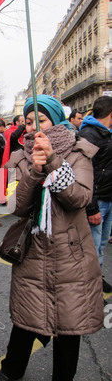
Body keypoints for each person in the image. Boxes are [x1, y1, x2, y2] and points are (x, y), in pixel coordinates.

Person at [0, 94, 103, 381]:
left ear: (55, 120)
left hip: (72, 254)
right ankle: (11, 369)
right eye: (28, 121)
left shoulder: (79, 153)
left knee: (69, 327)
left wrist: (54, 162)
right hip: (33, 252)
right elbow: (15, 205)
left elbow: (80, 198)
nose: (32, 126)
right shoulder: (20, 157)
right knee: (26, 321)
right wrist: (34, 171)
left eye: (40, 120)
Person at [79, 96, 112, 293]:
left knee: (100, 245)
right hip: (97, 200)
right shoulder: (89, 135)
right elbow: (84, 173)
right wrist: (91, 206)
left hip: (107, 196)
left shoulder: (106, 133)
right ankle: (91, 285)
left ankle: (97, 278)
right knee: (93, 246)